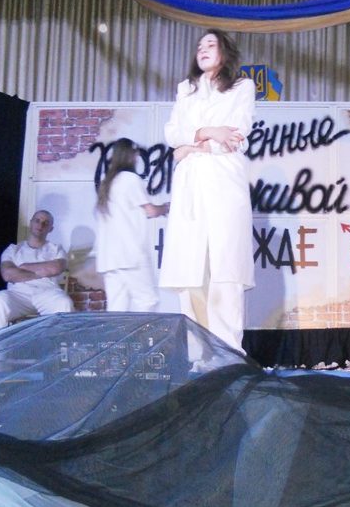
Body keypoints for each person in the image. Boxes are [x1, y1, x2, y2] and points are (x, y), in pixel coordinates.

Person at [158, 29, 255, 353]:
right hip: (190, 185)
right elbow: (172, 133)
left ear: (225, 52)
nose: (203, 49)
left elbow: (236, 135)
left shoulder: (241, 87)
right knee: (191, 272)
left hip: (224, 179)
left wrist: (191, 147)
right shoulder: (185, 89)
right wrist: (207, 131)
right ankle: (200, 355)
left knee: (225, 271)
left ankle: (229, 355)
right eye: (200, 45)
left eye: (211, 44)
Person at [95, 138, 169, 312]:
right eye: (135, 153)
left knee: (116, 309)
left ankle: (119, 333)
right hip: (130, 254)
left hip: (109, 258)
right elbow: (150, 211)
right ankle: (144, 332)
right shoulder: (130, 179)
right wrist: (166, 207)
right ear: (130, 155)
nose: (137, 157)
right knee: (148, 301)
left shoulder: (107, 182)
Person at [0, 209, 74, 333]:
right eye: (37, 220)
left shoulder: (56, 249)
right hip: (18, 294)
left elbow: (56, 268)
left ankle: (58, 346)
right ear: (31, 223)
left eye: (46, 223)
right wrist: (43, 271)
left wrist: (23, 267)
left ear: (51, 229)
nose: (40, 225)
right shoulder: (13, 249)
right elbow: (8, 274)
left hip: (47, 293)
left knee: (64, 303)